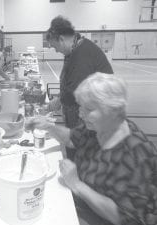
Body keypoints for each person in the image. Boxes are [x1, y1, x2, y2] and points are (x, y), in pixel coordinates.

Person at [26, 73, 157, 225]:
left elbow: (125, 217)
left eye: (88, 109)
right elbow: (72, 138)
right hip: (83, 206)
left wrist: (76, 184)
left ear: (113, 110)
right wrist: (48, 127)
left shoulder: (135, 154)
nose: (81, 114)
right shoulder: (99, 127)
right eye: (81, 107)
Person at [46, 16, 114, 160]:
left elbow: (75, 90)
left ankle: (78, 169)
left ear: (62, 39)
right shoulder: (74, 49)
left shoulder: (82, 54)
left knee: (82, 148)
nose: (56, 50)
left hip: (95, 114)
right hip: (83, 111)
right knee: (75, 142)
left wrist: (58, 101)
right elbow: (70, 81)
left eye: (54, 46)